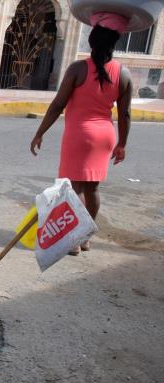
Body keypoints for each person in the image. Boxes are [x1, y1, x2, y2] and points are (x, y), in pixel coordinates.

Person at [30, 12, 132, 255]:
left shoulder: (78, 69)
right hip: (105, 136)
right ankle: (85, 238)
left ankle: (72, 242)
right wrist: (122, 144)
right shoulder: (123, 74)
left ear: (92, 42)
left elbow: (58, 105)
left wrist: (40, 132)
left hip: (79, 135)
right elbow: (125, 114)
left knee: (72, 189)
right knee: (92, 189)